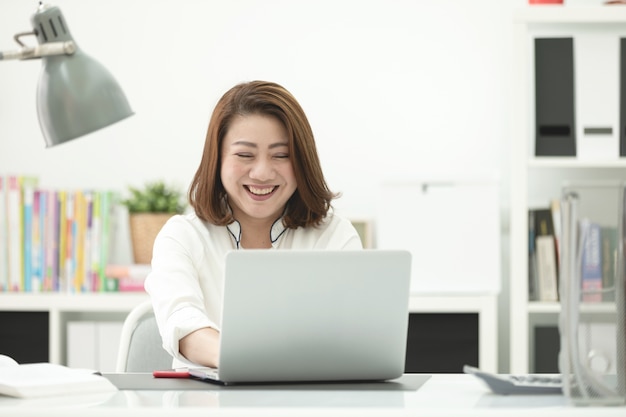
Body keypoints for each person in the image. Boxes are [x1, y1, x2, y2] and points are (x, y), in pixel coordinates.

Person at [144, 80, 362, 369]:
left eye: (281, 155)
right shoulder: (182, 236)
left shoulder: (334, 236)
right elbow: (183, 325)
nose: (261, 172)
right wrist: (256, 362)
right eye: (245, 155)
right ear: (217, 159)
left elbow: (353, 335)